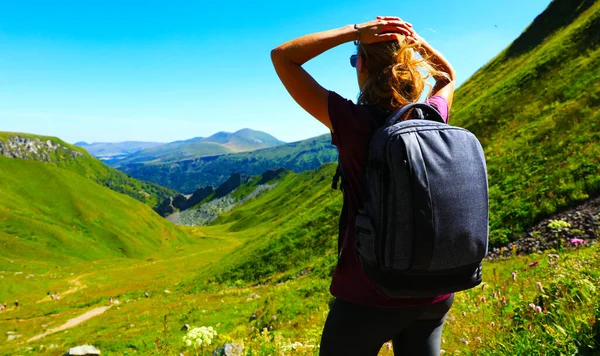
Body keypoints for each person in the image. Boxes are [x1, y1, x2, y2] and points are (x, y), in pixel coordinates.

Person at [272, 16, 456, 356]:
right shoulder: (430, 116)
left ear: (363, 66)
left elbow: (283, 56)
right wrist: (412, 41)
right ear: (410, 64)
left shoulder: (352, 121)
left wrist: (355, 32)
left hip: (367, 292)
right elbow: (446, 76)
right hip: (435, 291)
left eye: (357, 59)